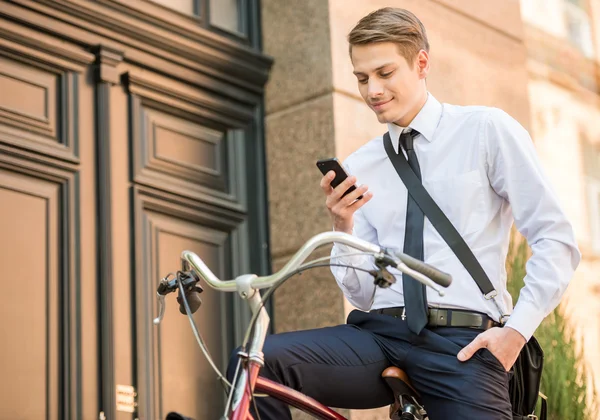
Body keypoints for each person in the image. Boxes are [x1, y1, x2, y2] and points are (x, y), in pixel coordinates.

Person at [227, 7, 580, 419]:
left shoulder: (485, 130)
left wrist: (515, 334)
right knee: (258, 362)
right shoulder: (363, 163)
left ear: (421, 63)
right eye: (361, 78)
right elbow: (363, 294)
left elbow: (555, 240)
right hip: (379, 334)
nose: (372, 89)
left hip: (462, 343)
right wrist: (344, 225)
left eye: (384, 73)